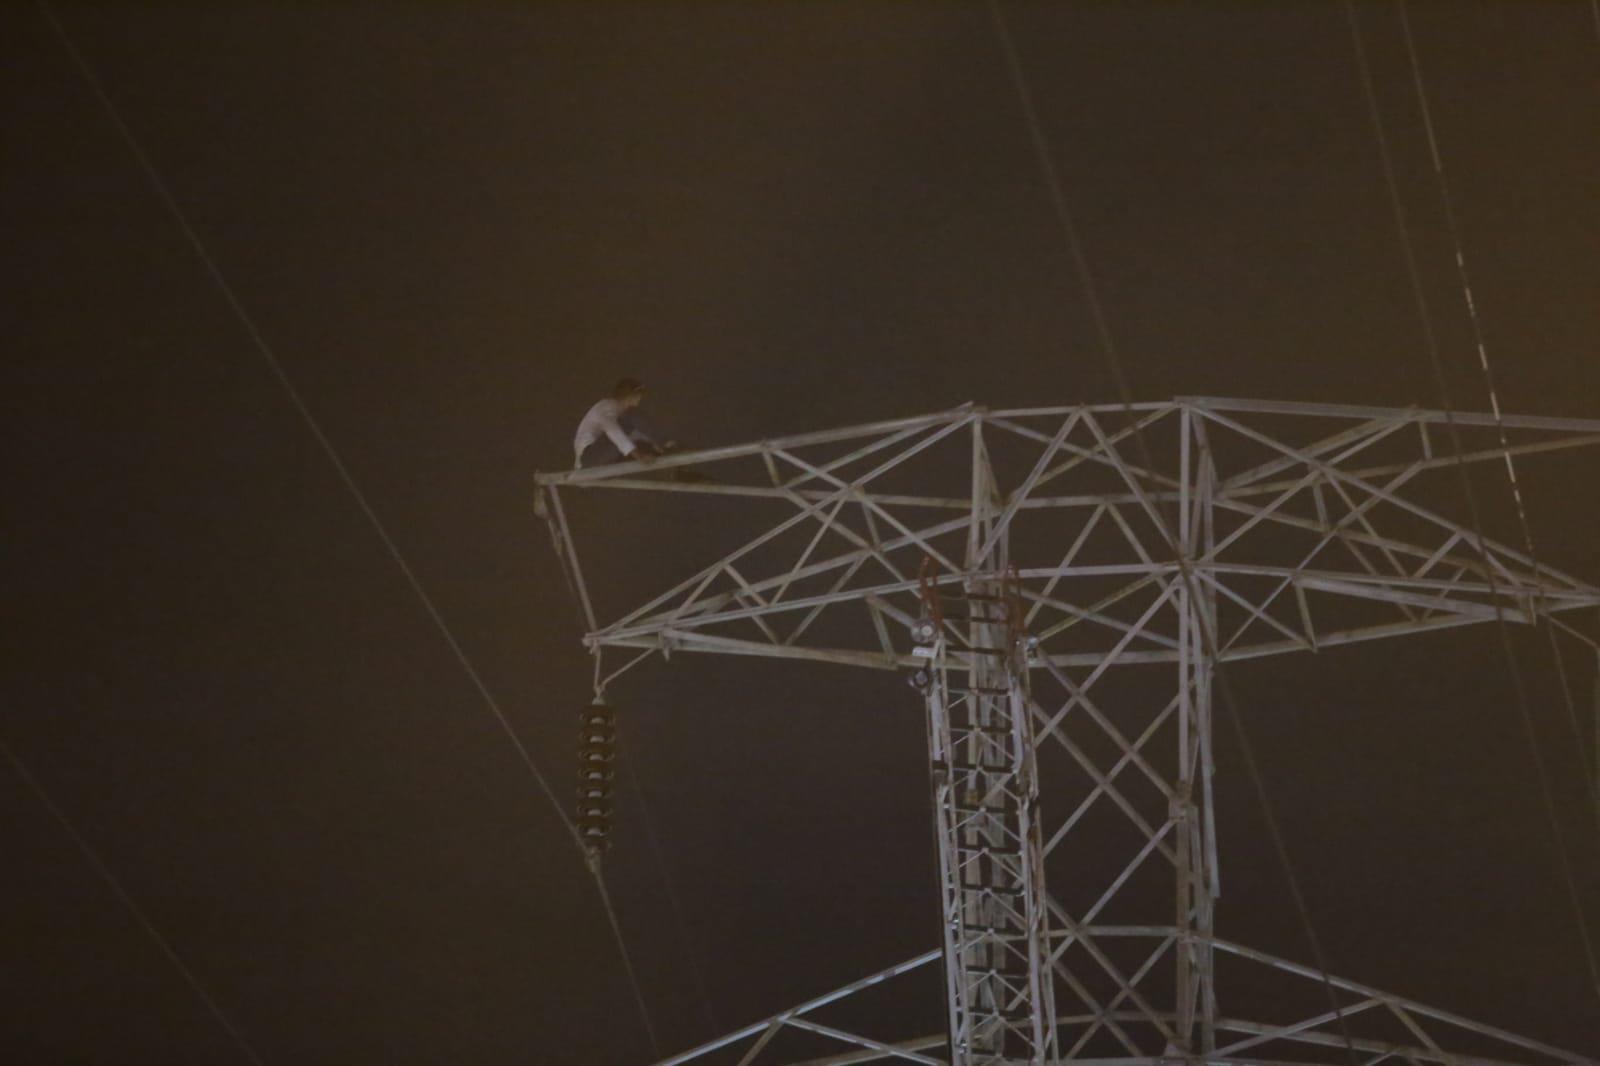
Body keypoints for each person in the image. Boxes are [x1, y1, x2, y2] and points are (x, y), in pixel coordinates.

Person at [573, 378, 671, 468]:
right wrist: (639, 455)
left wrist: (652, 444)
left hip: (597, 457)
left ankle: (663, 451)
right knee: (631, 418)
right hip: (589, 456)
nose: (640, 398)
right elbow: (613, 431)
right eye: (638, 395)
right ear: (631, 395)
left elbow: (632, 434)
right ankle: (665, 444)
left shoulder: (618, 412)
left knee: (640, 442)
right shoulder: (607, 407)